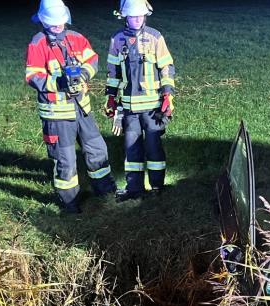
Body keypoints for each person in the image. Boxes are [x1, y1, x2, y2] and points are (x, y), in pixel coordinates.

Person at [25, 0, 115, 213]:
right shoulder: (37, 44)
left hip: (82, 109)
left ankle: (106, 192)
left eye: (60, 22)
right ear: (44, 21)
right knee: (66, 161)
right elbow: (32, 76)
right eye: (53, 23)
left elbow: (92, 59)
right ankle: (70, 204)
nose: (58, 26)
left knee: (97, 150)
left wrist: (83, 73)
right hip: (57, 114)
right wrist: (59, 83)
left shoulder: (76, 38)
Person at [105, 0, 175, 200]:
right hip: (129, 108)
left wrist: (167, 94)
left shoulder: (155, 37)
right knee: (131, 149)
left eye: (140, 15)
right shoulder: (117, 39)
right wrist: (111, 97)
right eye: (132, 16)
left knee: (154, 147)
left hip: (153, 107)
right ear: (124, 16)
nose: (136, 19)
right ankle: (134, 188)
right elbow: (113, 71)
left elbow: (166, 67)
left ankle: (157, 187)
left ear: (146, 15)